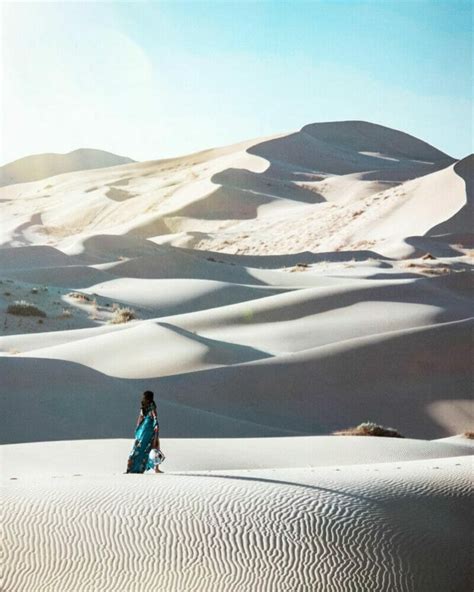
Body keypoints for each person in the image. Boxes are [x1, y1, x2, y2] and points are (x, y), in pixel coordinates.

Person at [126, 390, 163, 474]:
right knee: (155, 446)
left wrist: (138, 429)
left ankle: (132, 467)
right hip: (149, 428)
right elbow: (154, 416)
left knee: (139, 447)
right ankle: (156, 468)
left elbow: (140, 418)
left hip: (143, 429)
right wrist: (156, 426)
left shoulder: (143, 406)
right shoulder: (152, 405)